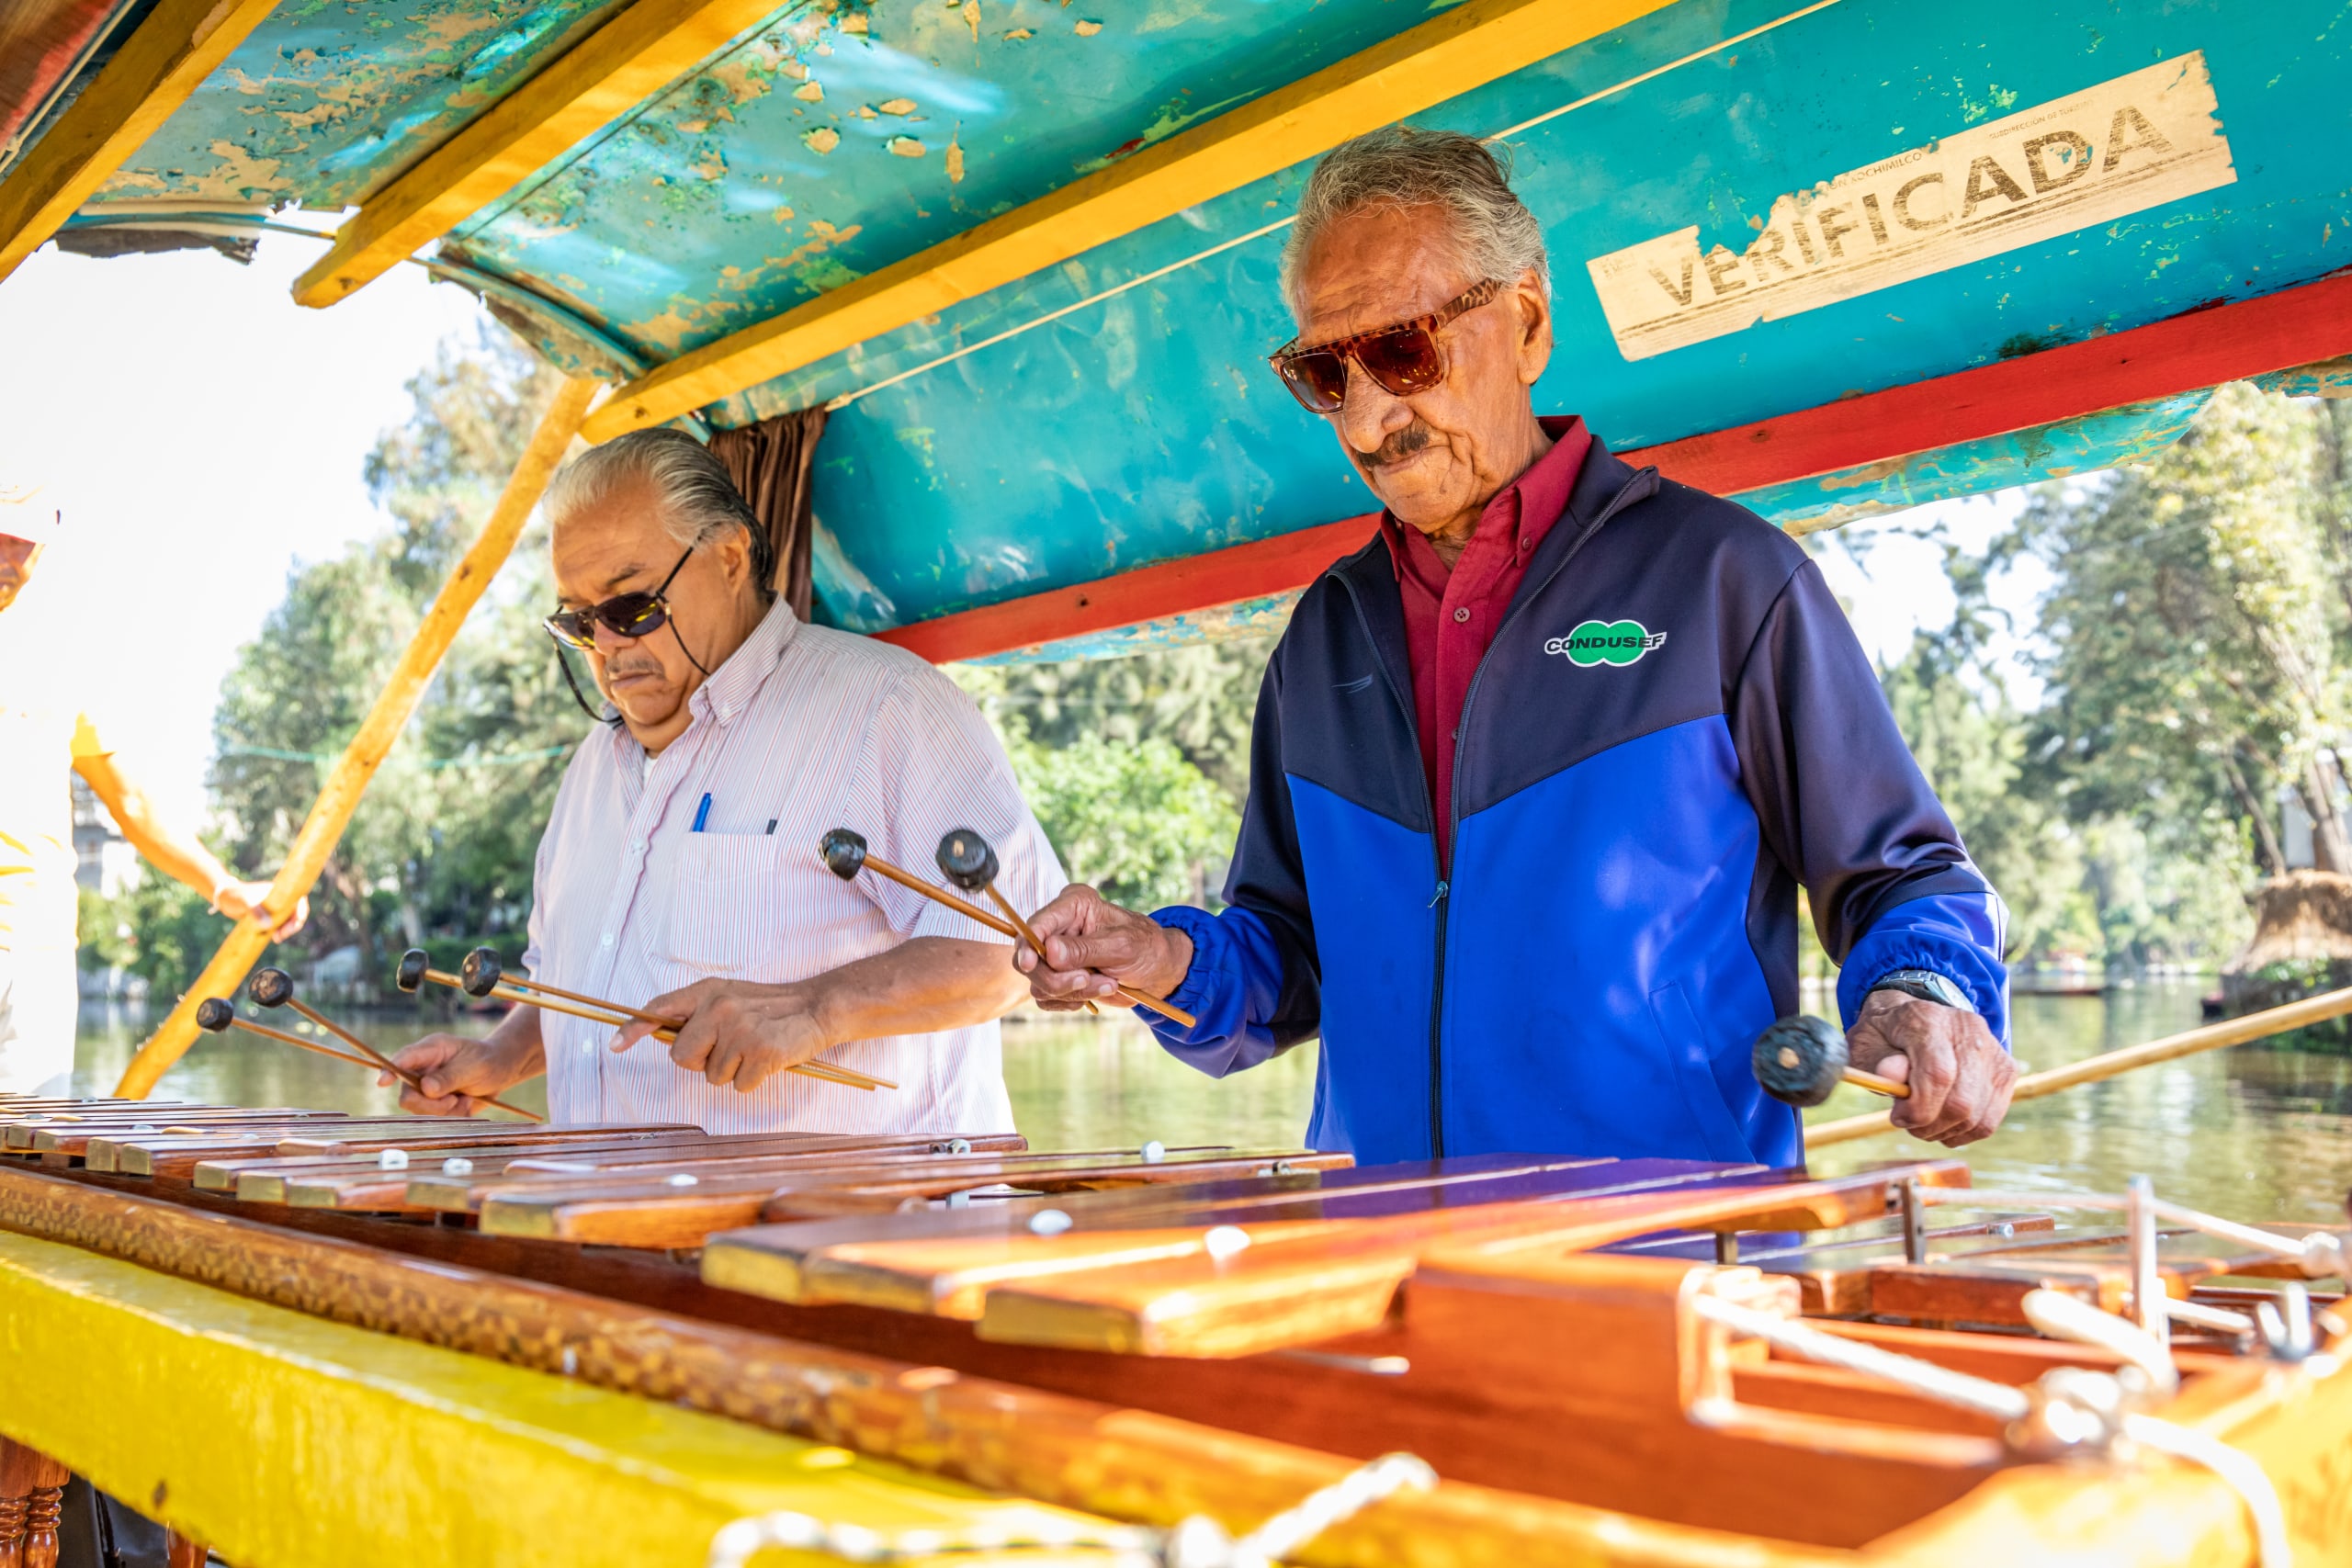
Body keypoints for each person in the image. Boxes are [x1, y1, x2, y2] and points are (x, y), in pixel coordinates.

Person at [1018, 128, 2016, 1168]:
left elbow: (1904, 875)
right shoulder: (1324, 635)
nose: (1367, 422)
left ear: (1527, 324)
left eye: (1403, 351)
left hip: (1670, 1248)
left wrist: (1923, 994)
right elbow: (1291, 954)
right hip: (1380, 1254)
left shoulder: (1725, 578)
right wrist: (1165, 960)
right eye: (1326, 373)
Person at [388, 429, 1059, 1133]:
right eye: (580, 623)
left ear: (730, 557)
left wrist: (814, 1008)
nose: (609, 645)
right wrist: (500, 1056)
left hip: (851, 1232)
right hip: (616, 1226)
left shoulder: (887, 705)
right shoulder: (591, 769)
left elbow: (1012, 951)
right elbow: (582, 984)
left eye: (630, 607)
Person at [0, 491, 306, 1094]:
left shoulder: (57, 664)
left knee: (27, 1167)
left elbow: (132, 803)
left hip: (35, 955)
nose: (10, 552)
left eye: (24, 539)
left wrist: (225, 887)